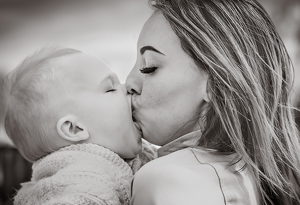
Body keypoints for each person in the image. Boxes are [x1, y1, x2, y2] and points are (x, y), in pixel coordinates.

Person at [125, 0, 300, 204]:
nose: (129, 83)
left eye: (149, 67)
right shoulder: (257, 178)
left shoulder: (166, 180)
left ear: (216, 83)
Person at [2, 47, 156, 205]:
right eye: (110, 89)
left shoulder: (119, 155)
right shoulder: (82, 180)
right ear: (74, 129)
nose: (127, 87)